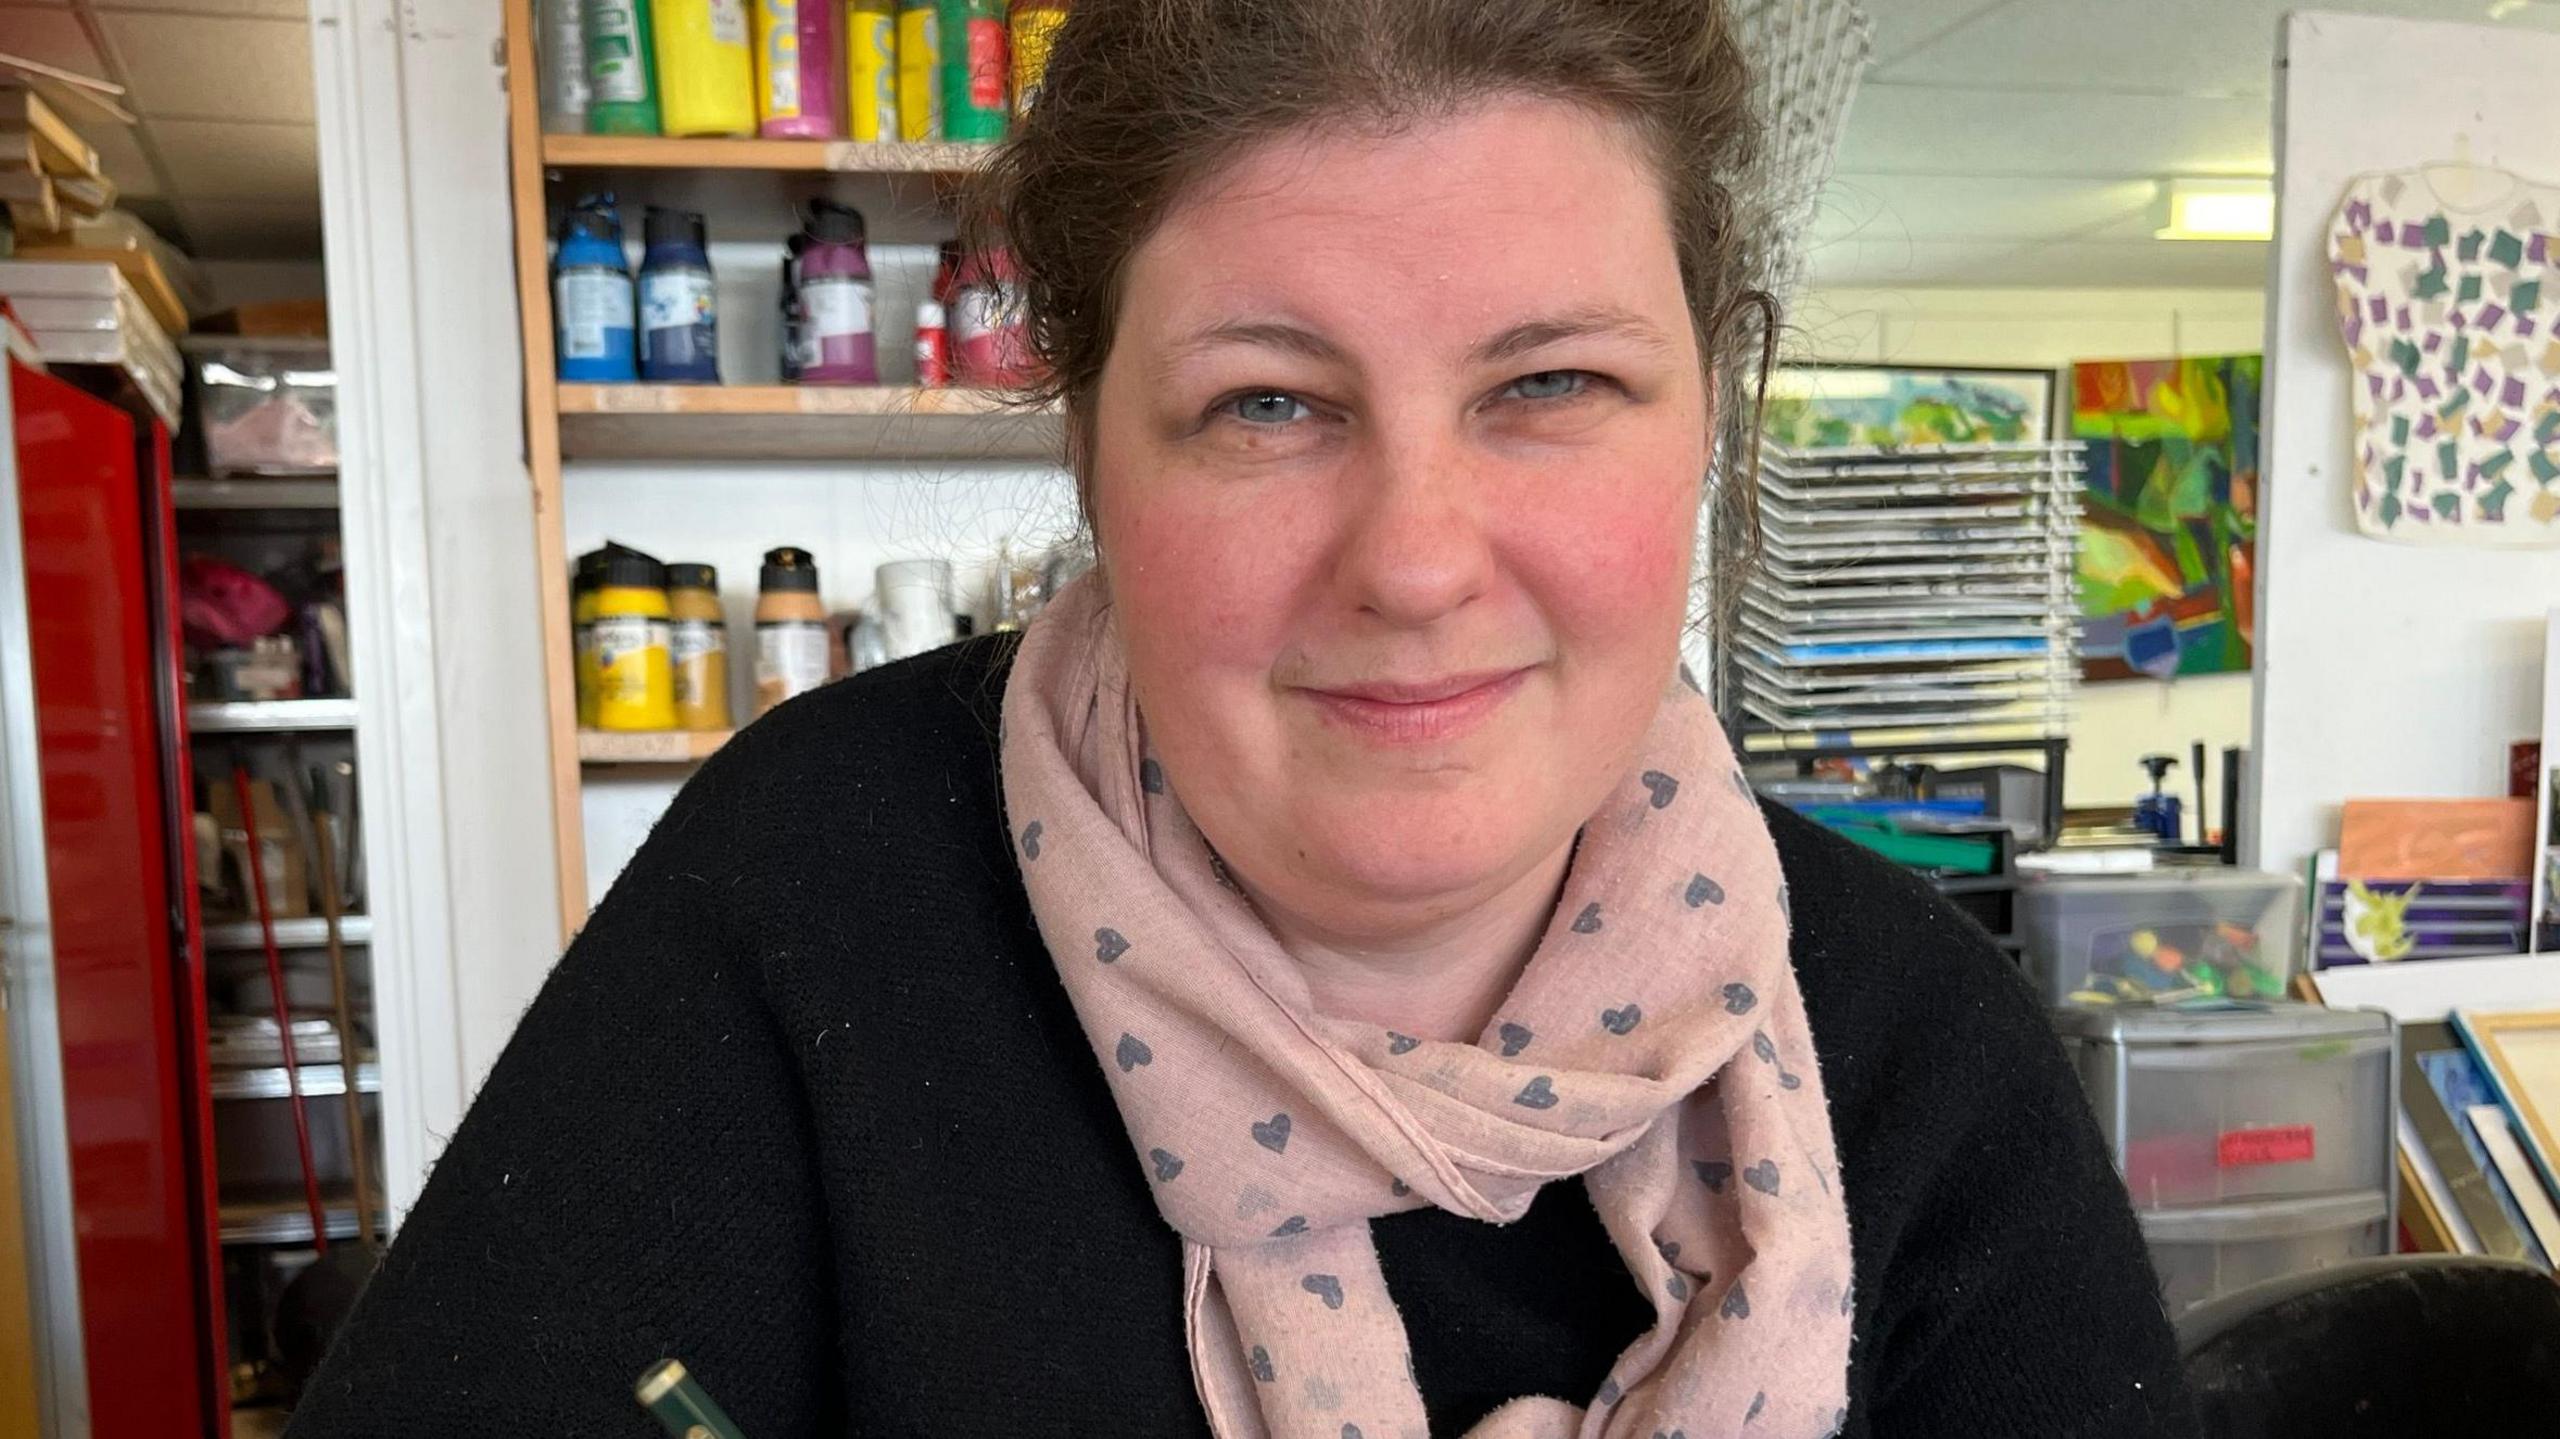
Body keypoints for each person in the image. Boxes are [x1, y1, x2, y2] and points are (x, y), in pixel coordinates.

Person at [289, 2, 2195, 1435]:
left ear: (1713, 414)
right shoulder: (807, 904)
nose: (1418, 560)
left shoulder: (1922, 1071)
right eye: (1268, 405)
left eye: (1549, 382)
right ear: (1091, 455)